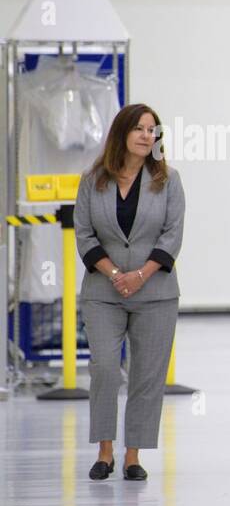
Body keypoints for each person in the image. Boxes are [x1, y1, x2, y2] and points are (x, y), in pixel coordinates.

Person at [76, 104, 185, 481]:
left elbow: (172, 235)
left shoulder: (169, 179)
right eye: (139, 128)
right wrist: (116, 274)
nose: (146, 136)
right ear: (122, 133)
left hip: (155, 291)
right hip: (103, 291)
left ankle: (133, 455)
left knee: (146, 374)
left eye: (153, 130)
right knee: (105, 369)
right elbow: (85, 235)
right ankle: (104, 451)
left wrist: (140, 274)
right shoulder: (93, 180)